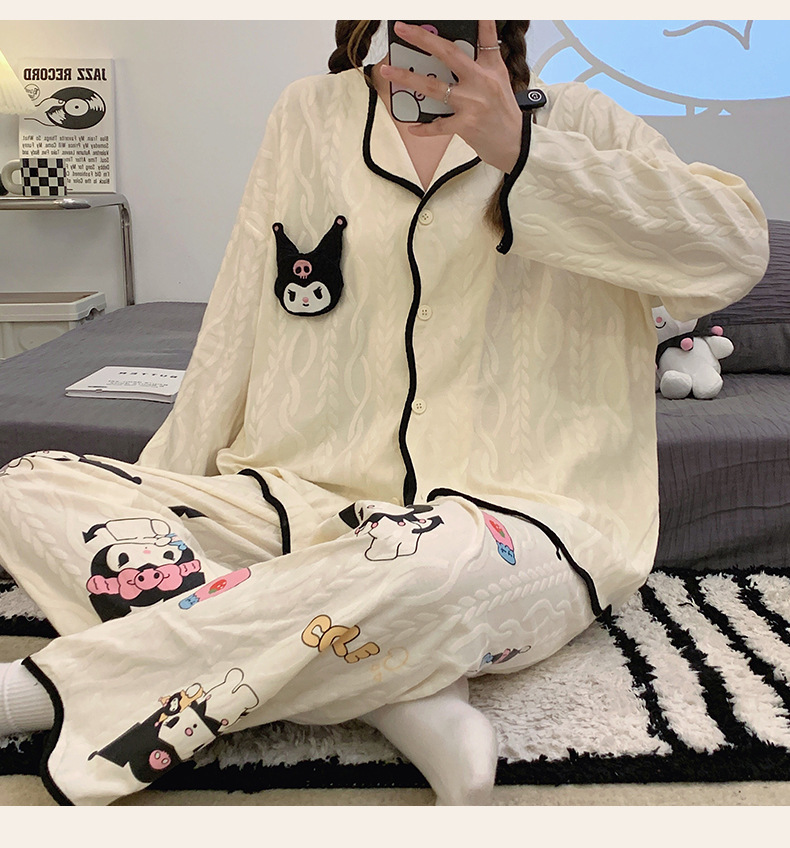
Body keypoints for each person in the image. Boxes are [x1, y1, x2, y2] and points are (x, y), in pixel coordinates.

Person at [0, 20, 769, 806]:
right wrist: (157, 503)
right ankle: (394, 691)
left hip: (507, 519)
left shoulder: (580, 120)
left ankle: (41, 692)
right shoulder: (308, 113)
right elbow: (238, 311)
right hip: (300, 499)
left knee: (427, 564)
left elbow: (733, 253)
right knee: (29, 486)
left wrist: (523, 150)